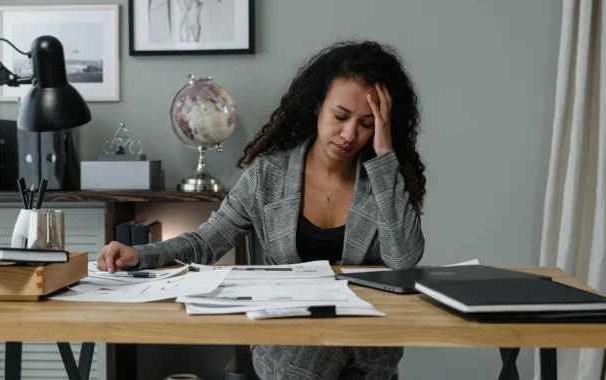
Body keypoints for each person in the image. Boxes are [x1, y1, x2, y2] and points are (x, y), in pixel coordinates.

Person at [97, 40, 426, 380]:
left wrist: (385, 157)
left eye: (367, 124)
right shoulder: (268, 175)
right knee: (313, 351)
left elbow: (403, 261)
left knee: (325, 346)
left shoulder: (385, 181)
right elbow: (206, 243)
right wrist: (140, 254)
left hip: (363, 340)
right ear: (317, 106)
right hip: (286, 335)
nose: (349, 134)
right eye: (340, 116)